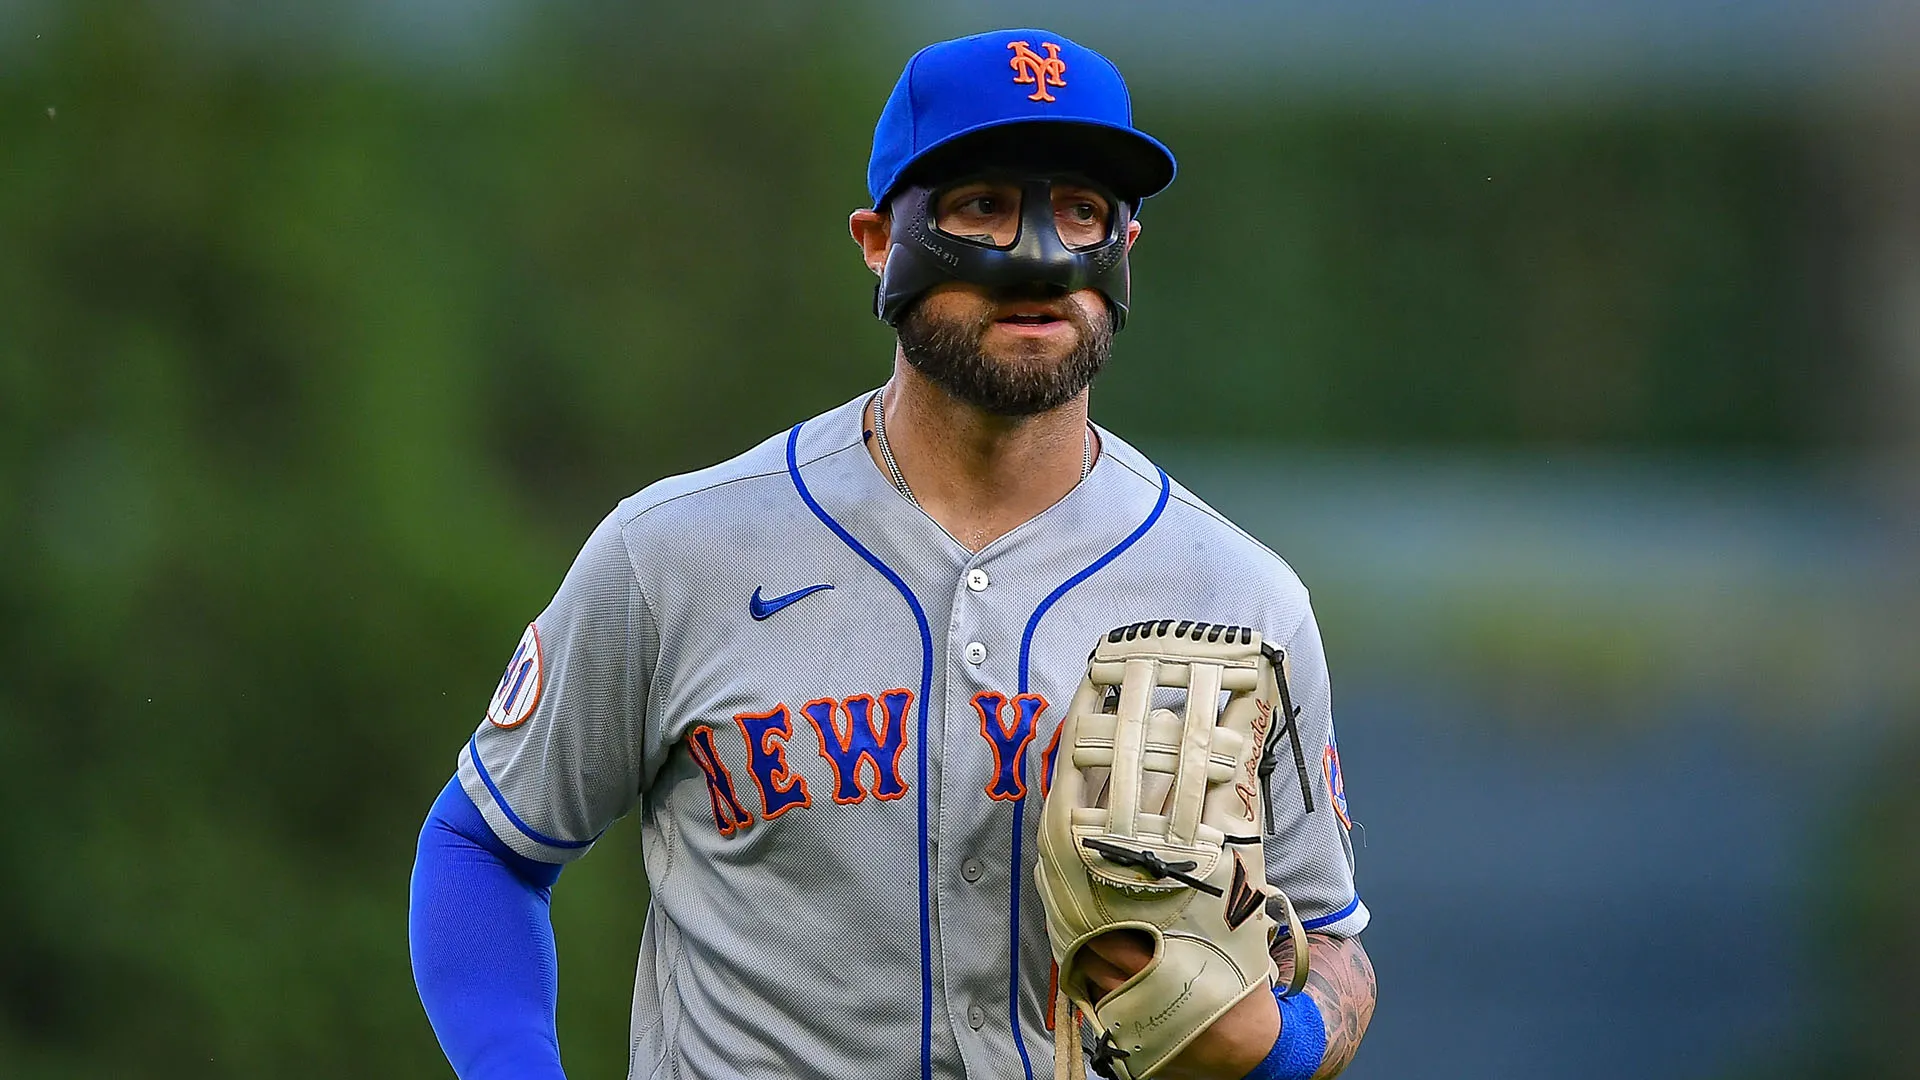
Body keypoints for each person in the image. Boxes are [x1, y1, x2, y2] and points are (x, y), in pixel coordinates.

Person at [409, 27, 1376, 1080]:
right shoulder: (676, 555)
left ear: (1126, 249)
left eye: (1081, 212)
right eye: (981, 209)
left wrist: (1295, 1041)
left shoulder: (1239, 598)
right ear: (877, 240)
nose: (1039, 257)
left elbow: (1330, 936)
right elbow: (483, 849)